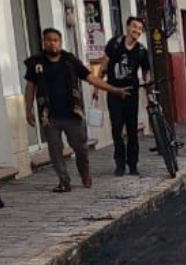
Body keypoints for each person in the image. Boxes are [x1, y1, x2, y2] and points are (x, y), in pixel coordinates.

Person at [24, 28, 126, 192]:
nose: (52, 43)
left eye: (56, 40)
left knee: (81, 148)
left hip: (73, 113)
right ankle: (64, 181)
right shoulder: (36, 63)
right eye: (49, 40)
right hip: (49, 116)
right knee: (55, 149)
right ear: (44, 42)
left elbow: (90, 78)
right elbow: (30, 87)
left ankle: (84, 173)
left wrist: (113, 90)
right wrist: (28, 109)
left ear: (61, 42)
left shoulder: (70, 60)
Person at [99, 16, 151, 176]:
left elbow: (146, 70)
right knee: (116, 129)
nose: (137, 30)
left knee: (132, 130)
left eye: (140, 29)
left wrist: (147, 85)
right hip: (114, 92)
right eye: (134, 27)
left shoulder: (141, 51)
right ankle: (119, 163)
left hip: (131, 94)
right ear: (127, 27)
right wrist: (97, 85)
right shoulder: (114, 44)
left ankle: (133, 164)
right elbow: (104, 64)